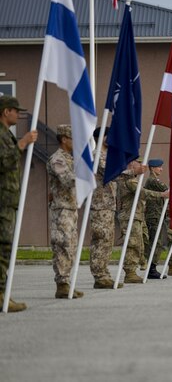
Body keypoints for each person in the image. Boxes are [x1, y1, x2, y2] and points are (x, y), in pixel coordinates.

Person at [0, 96, 37, 312]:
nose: (18, 114)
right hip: (3, 202)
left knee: (5, 246)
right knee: (3, 246)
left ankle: (3, 293)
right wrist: (23, 143)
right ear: (6, 112)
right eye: (16, 111)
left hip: (7, 201)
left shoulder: (6, 135)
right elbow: (4, 162)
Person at [47, 124, 84, 299]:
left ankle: (67, 282)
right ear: (64, 139)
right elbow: (67, 180)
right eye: (72, 138)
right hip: (61, 210)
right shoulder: (57, 159)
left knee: (71, 246)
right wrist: (85, 176)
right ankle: (61, 283)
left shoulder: (70, 158)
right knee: (62, 245)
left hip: (70, 208)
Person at [117, 159, 168, 283]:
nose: (142, 165)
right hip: (130, 216)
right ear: (130, 164)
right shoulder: (128, 179)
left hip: (136, 216)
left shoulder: (133, 178)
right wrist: (161, 195)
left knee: (138, 244)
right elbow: (142, 193)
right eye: (138, 163)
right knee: (133, 244)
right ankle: (130, 273)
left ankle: (133, 271)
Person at [89, 127, 124, 289]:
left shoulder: (108, 156)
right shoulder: (97, 156)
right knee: (101, 239)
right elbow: (111, 172)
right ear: (102, 138)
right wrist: (132, 171)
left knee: (107, 241)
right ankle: (99, 275)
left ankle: (103, 273)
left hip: (108, 206)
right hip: (100, 206)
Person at [143, 158, 168, 279]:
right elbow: (167, 190)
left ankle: (152, 268)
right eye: (159, 167)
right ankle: (151, 269)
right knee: (155, 242)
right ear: (152, 168)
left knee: (157, 242)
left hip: (157, 215)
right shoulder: (152, 181)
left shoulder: (153, 180)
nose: (161, 169)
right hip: (153, 216)